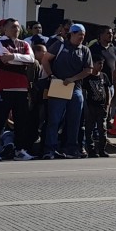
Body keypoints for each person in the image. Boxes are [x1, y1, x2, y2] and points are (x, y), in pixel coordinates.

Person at [41, 23, 93, 160]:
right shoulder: (60, 45)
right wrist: (51, 75)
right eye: (79, 35)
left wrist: (73, 79)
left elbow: (88, 70)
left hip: (75, 88)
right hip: (58, 86)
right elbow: (45, 59)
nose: (81, 37)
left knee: (74, 120)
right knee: (54, 120)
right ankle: (50, 149)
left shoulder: (85, 50)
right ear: (72, 34)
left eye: (83, 35)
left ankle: (71, 148)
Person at [0, 19, 36, 162]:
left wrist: (14, 56)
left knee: (21, 121)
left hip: (21, 88)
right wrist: (21, 60)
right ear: (5, 28)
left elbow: (31, 59)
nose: (16, 29)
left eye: (17, 26)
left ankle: (19, 150)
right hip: (4, 88)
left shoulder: (24, 44)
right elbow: (4, 59)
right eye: (12, 27)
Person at [83, 54, 111, 158]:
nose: (101, 66)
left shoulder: (103, 76)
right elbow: (84, 92)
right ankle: (91, 150)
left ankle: (102, 149)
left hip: (101, 106)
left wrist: (107, 103)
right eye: (99, 63)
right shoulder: (87, 77)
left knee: (102, 129)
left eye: (102, 63)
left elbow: (107, 90)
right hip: (90, 106)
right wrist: (85, 107)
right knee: (89, 129)